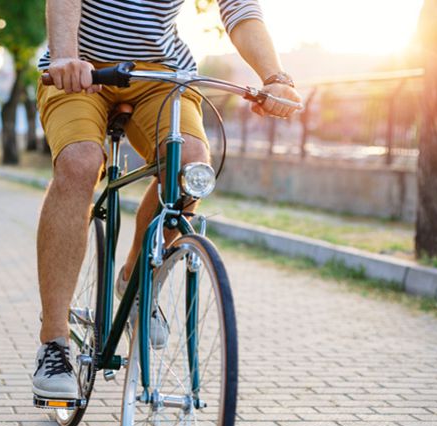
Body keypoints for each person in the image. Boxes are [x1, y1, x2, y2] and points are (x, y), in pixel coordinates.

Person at [32, 0, 302, 400]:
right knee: (79, 163)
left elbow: (240, 9)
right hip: (81, 68)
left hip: (159, 74)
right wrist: (66, 56)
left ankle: (136, 281)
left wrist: (274, 76)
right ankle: (54, 343)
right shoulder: (73, 61)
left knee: (191, 168)